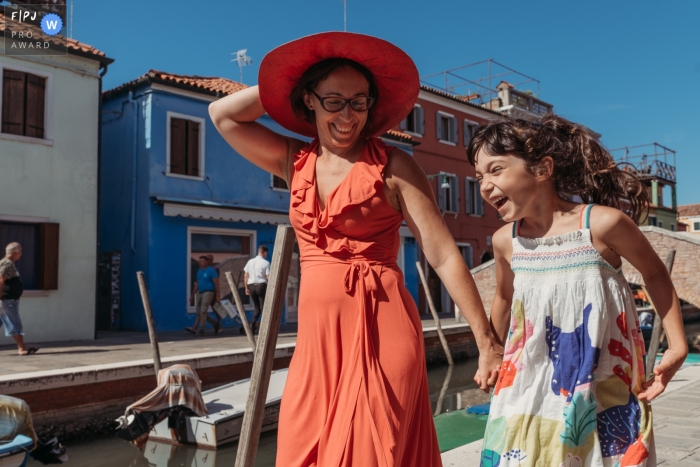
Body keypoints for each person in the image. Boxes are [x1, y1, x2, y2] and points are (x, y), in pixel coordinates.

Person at [210, 32, 502, 467]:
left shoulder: (395, 166)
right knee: (300, 452)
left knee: (375, 452)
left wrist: (486, 340)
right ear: (309, 100)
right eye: (333, 101)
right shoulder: (294, 162)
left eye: (359, 102)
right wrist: (284, 83)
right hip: (316, 345)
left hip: (383, 330)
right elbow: (222, 114)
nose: (347, 116)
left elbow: (442, 255)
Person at [469, 115, 688, 466]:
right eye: (479, 176)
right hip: (527, 386)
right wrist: (489, 351)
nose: (484, 185)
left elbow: (655, 274)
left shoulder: (603, 224)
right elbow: (504, 298)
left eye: (495, 170)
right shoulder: (505, 242)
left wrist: (678, 344)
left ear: (542, 169)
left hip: (602, 383)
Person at [0, 243, 38, 355]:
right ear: (15, 252)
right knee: (14, 323)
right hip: (8, 300)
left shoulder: (5, 262)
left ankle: (22, 347)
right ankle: (22, 348)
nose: (21, 254)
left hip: (6, 300)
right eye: (20, 251)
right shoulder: (7, 263)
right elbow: (1, 279)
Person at [187, 256, 222, 336]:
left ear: (206, 262)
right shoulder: (199, 271)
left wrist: (217, 296)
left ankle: (201, 329)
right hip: (200, 292)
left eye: (202, 261)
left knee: (203, 311)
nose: (200, 263)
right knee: (199, 312)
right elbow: (197, 283)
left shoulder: (211, 271)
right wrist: (192, 295)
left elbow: (217, 284)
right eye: (199, 261)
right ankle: (215, 323)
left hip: (209, 292)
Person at [244, 245, 270, 332]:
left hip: (251, 286)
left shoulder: (250, 262)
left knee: (257, 307)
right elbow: (268, 276)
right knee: (264, 307)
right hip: (261, 285)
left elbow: (245, 276)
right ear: (265, 253)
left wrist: (246, 288)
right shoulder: (266, 263)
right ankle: (265, 328)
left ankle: (252, 325)